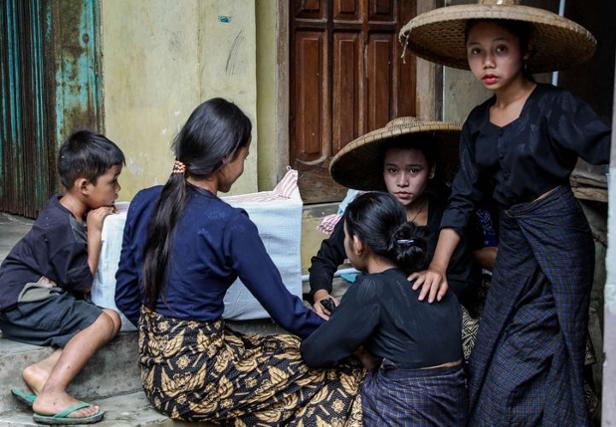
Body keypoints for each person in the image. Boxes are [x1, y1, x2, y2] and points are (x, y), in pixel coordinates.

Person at [401, 1, 611, 425]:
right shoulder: (478, 123)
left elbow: (612, 150)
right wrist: (438, 266)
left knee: (548, 344)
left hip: (560, 240)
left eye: (500, 49)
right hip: (514, 241)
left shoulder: (556, 106)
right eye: (476, 51)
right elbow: (462, 199)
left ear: (525, 50)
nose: (487, 62)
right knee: (496, 339)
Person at [115, 98, 364, 425]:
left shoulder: (144, 201)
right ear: (226, 158)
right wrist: (350, 342)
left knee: (280, 348)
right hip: (198, 384)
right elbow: (287, 312)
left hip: (156, 376)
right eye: (244, 157)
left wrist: (165, 340)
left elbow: (125, 296)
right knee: (342, 372)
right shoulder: (230, 224)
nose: (243, 166)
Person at [302, 192, 466, 426]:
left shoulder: (371, 287)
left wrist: (353, 345)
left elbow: (314, 353)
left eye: (346, 237)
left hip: (404, 411)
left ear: (357, 244)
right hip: (453, 411)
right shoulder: (433, 283)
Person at [0, 131, 125, 424]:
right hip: (23, 302)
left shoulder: (65, 211)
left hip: (21, 302)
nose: (118, 189)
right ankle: (53, 392)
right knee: (103, 321)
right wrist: (94, 232)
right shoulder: (63, 229)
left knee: (107, 319)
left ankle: (42, 372)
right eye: (112, 181)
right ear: (84, 186)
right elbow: (83, 283)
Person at [309, 117, 488, 320]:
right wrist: (322, 295)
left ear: (431, 170)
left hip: (436, 317)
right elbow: (324, 259)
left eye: (414, 170)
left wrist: (423, 294)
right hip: (379, 313)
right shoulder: (368, 211)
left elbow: (465, 280)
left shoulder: (451, 213)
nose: (402, 182)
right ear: (382, 171)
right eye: (392, 170)